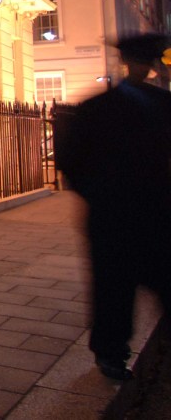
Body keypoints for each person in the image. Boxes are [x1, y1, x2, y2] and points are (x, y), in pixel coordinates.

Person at [55, 32, 171, 381]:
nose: (143, 67)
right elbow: (71, 162)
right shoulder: (100, 108)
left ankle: (112, 352)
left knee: (128, 282)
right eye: (141, 61)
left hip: (147, 213)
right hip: (117, 214)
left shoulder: (156, 104)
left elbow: (71, 163)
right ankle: (110, 352)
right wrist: (101, 197)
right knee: (113, 288)